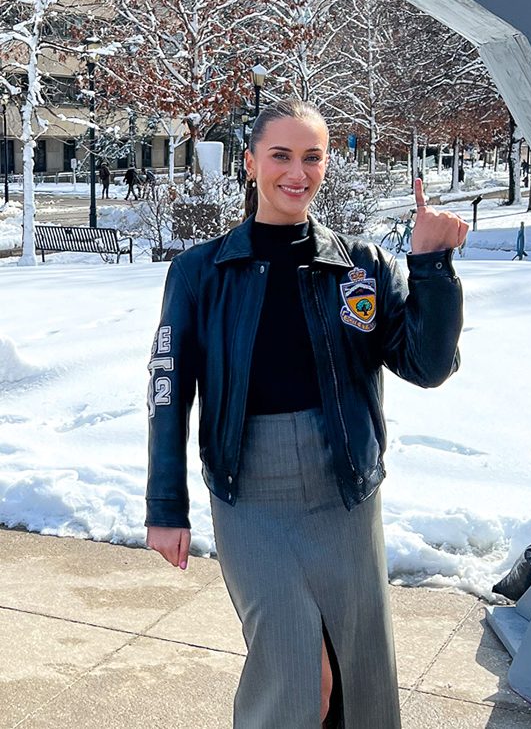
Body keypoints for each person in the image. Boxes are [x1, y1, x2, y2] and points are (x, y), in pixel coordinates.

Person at [145, 99, 468, 729]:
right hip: (249, 496)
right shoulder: (200, 273)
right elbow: (167, 388)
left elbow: (427, 366)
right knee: (293, 671)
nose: (298, 172)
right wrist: (166, 506)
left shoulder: (361, 265)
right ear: (250, 164)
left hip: (343, 488)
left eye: (312, 156)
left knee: (358, 673)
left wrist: (431, 267)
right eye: (281, 155)